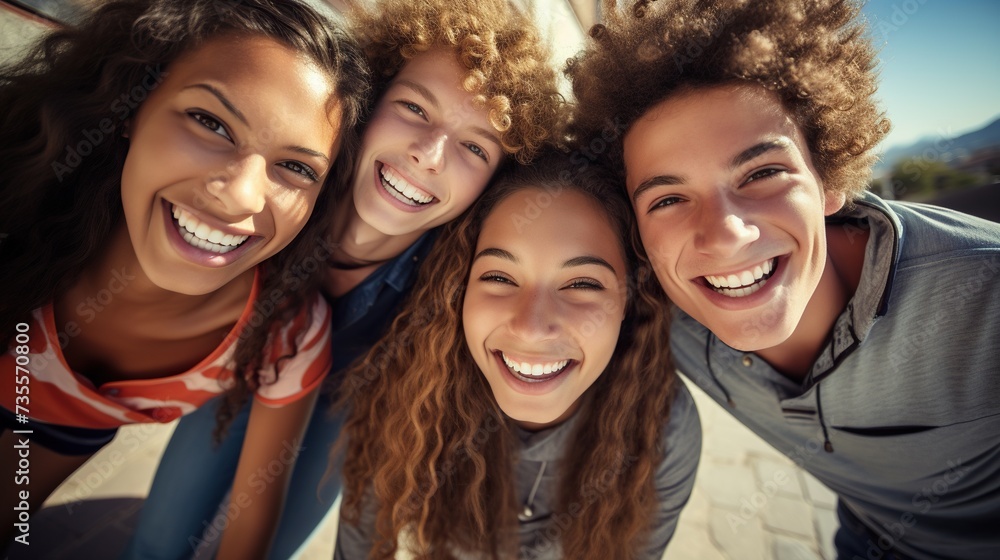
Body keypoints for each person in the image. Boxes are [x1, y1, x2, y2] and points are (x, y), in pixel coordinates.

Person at [125, 0, 566, 557]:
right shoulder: (273, 190)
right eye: (413, 108)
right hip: (239, 369)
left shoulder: (461, 283)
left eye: (475, 147)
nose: (427, 155)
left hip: (346, 414)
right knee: (158, 541)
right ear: (369, 100)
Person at [567, 0, 1000, 558]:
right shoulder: (658, 318)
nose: (725, 235)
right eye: (669, 198)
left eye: (763, 173)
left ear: (829, 180)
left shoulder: (984, 298)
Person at [0, 0, 369, 556]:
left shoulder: (284, 336)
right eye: (211, 122)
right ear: (133, 106)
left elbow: (251, 518)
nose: (241, 196)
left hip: (65, 432)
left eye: (296, 168)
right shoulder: (15, 211)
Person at [334, 152, 700, 560]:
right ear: (460, 290)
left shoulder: (664, 428)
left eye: (581, 283)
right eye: (499, 277)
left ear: (630, 303)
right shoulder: (406, 386)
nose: (530, 326)